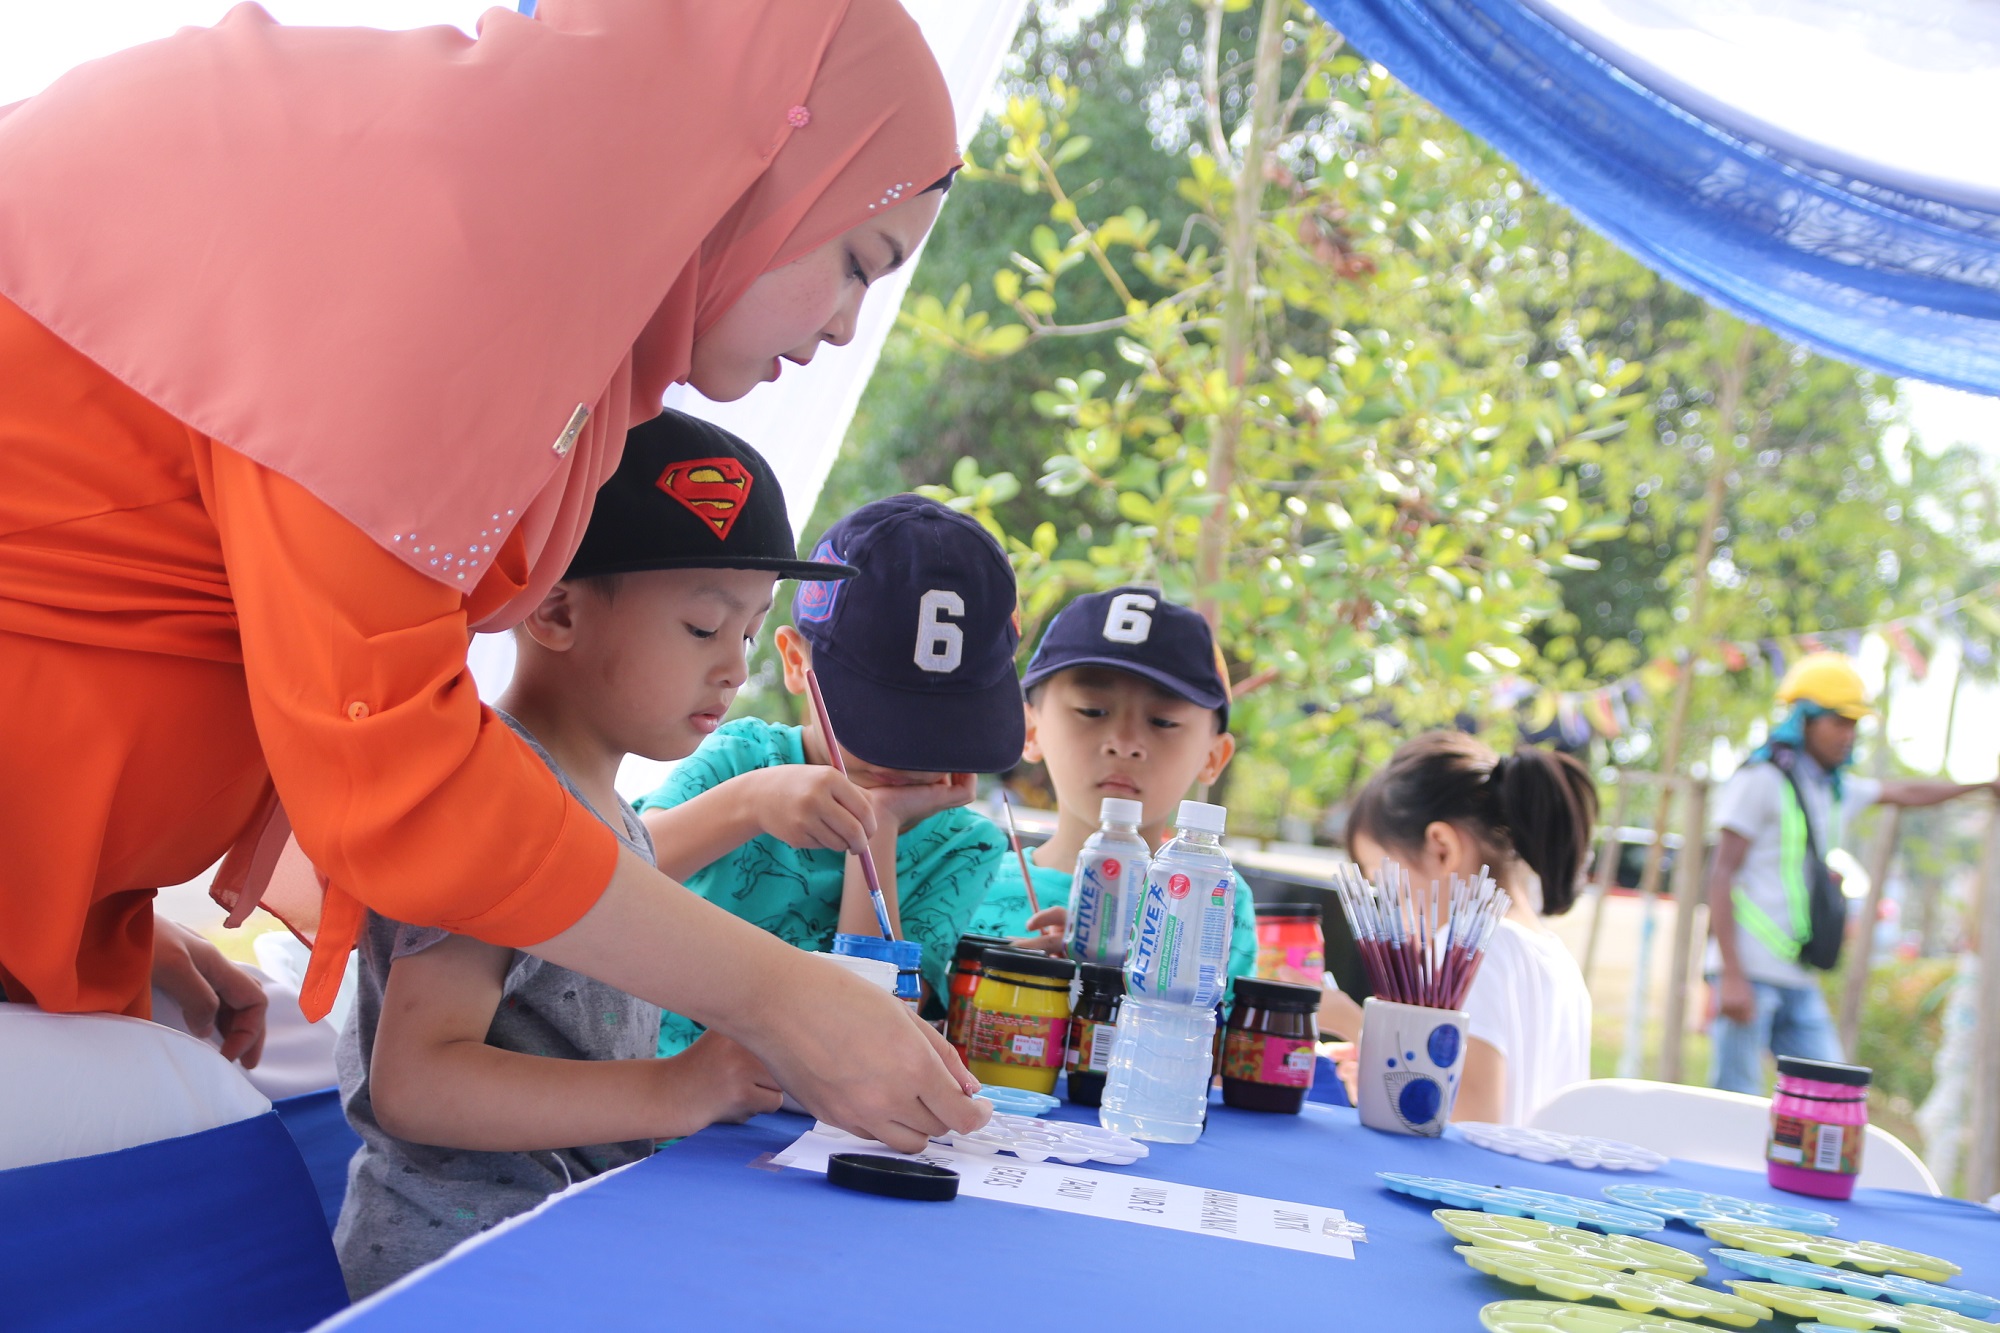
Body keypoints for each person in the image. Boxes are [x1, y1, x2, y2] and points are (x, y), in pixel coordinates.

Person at [0, 0, 985, 1154]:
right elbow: (395, 768)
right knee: (188, 1163)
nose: (848, 328)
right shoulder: (427, 236)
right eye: (857, 260)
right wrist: (780, 996)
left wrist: (88, 914)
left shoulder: (466, 217)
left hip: (54, 910)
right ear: (756, 158)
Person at [334, 412, 845, 1297]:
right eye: (702, 626)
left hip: (569, 1243)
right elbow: (416, 1080)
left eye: (749, 632)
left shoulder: (597, 804)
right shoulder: (495, 798)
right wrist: (678, 1088)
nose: (734, 668)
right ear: (558, 609)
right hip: (453, 1272)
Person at [638, 495, 1019, 1055]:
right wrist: (749, 804)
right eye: (881, 716)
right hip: (651, 1076)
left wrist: (877, 826)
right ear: (797, 662)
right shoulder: (742, 759)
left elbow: (876, 1033)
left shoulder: (966, 847)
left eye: (940, 726)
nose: (905, 752)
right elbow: (614, 872)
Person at [1705, 652, 1998, 1094]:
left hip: (1798, 974)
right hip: (1748, 970)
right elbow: (1721, 873)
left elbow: (1906, 791)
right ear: (1804, 720)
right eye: (1839, 721)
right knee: (1736, 1098)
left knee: (1834, 1095)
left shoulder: (1833, 789)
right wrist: (1731, 973)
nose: (1849, 734)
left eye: (1855, 723)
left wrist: (1981, 785)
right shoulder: (1760, 779)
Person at [968, 586, 1257, 979]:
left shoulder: (1214, 896)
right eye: (1092, 711)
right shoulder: (967, 879)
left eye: (1163, 721)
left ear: (1213, 757)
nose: (1124, 743)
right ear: (1029, 730)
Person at [1325, 732, 1598, 1126]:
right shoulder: (1555, 956)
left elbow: (1471, 1113)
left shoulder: (1465, 954)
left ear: (1442, 848)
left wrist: (1352, 1023)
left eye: (1384, 883)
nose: (1392, 909)